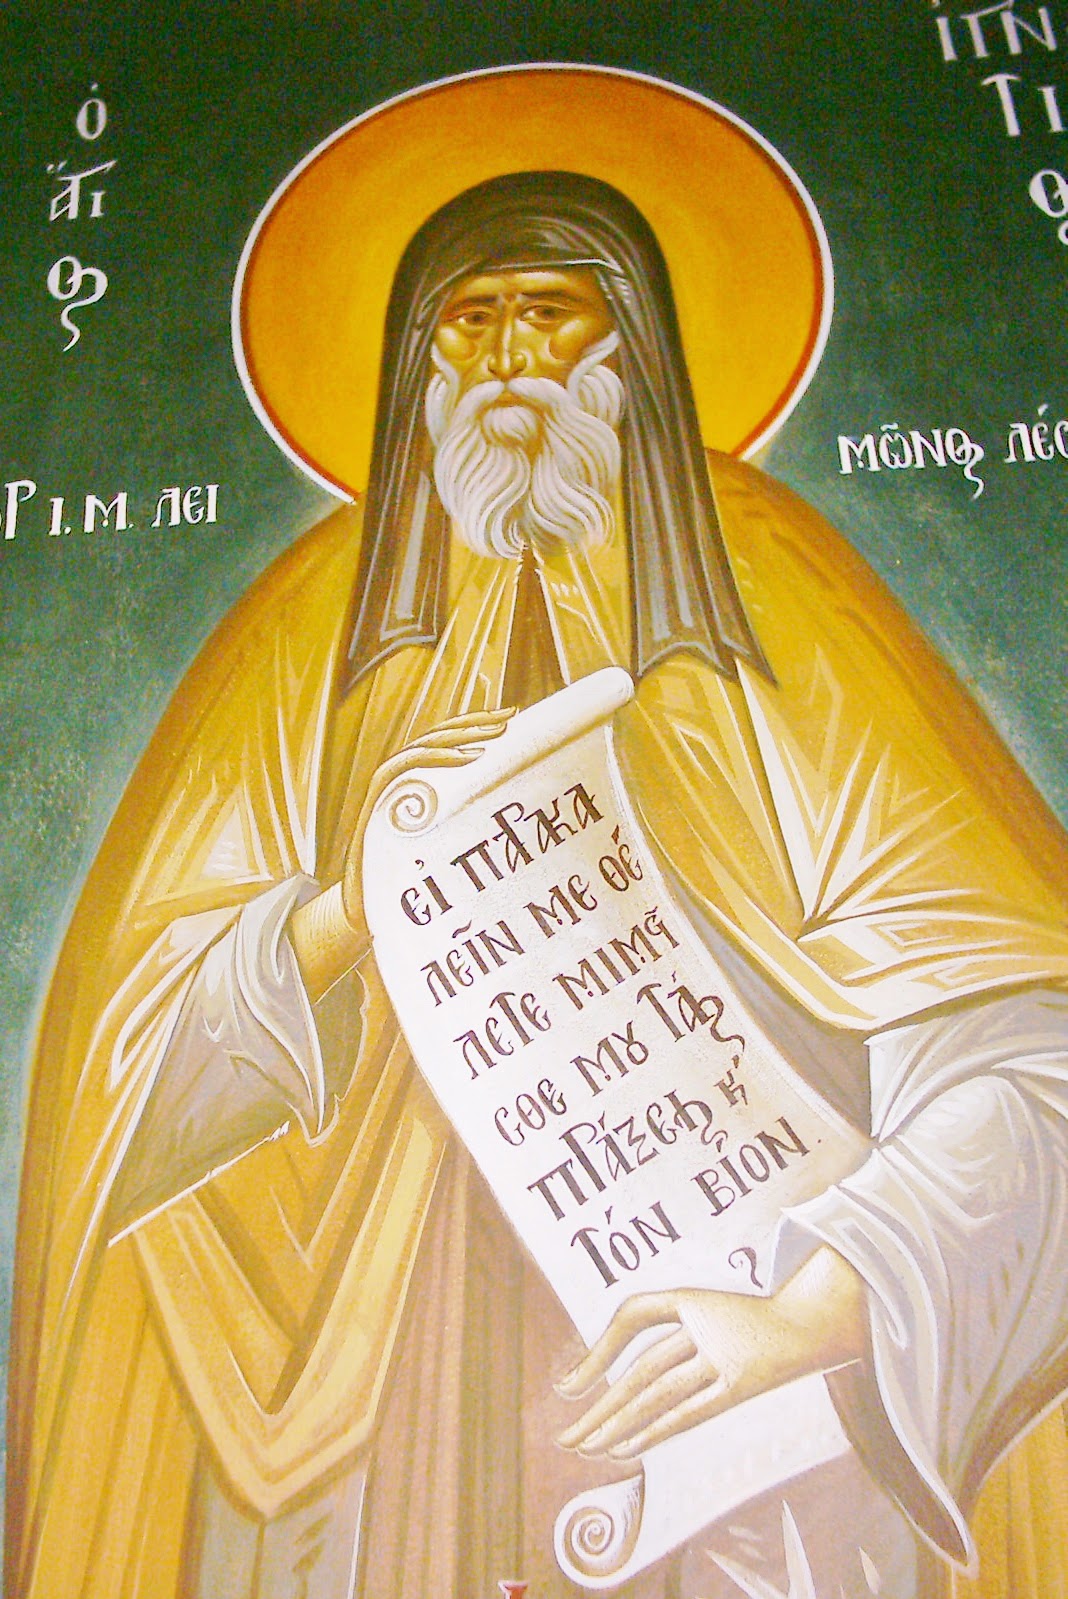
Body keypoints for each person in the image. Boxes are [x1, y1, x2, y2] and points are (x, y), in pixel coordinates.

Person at [9, 171, 1068, 1599]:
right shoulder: (316, 625)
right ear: (419, 363)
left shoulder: (771, 592)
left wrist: (814, 1309)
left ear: (631, 342)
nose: (511, 359)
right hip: (386, 1369)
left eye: (551, 315)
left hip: (732, 1342)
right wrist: (350, 912)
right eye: (474, 321)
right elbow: (120, 1068)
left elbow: (1024, 1043)